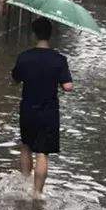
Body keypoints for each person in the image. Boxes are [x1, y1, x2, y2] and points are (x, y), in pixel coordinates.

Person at [12, 17, 73, 198]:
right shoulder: (59, 59)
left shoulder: (24, 57)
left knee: (26, 146)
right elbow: (68, 86)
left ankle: (24, 184)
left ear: (34, 34)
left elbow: (15, 80)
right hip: (48, 111)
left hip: (28, 109)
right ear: (50, 35)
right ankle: (37, 194)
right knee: (42, 153)